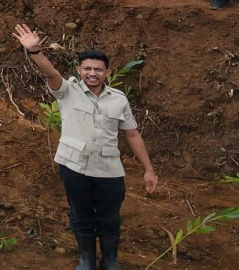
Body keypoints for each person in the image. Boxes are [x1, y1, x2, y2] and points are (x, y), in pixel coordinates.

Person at [14, 24, 158, 270]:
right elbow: (51, 74)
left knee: (109, 218)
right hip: (74, 167)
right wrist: (35, 51)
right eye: (88, 68)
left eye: (98, 69)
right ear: (80, 70)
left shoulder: (119, 99)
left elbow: (132, 134)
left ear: (107, 72)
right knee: (81, 215)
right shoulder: (68, 91)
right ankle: (87, 260)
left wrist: (148, 170)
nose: (93, 73)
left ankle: (110, 261)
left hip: (109, 169)